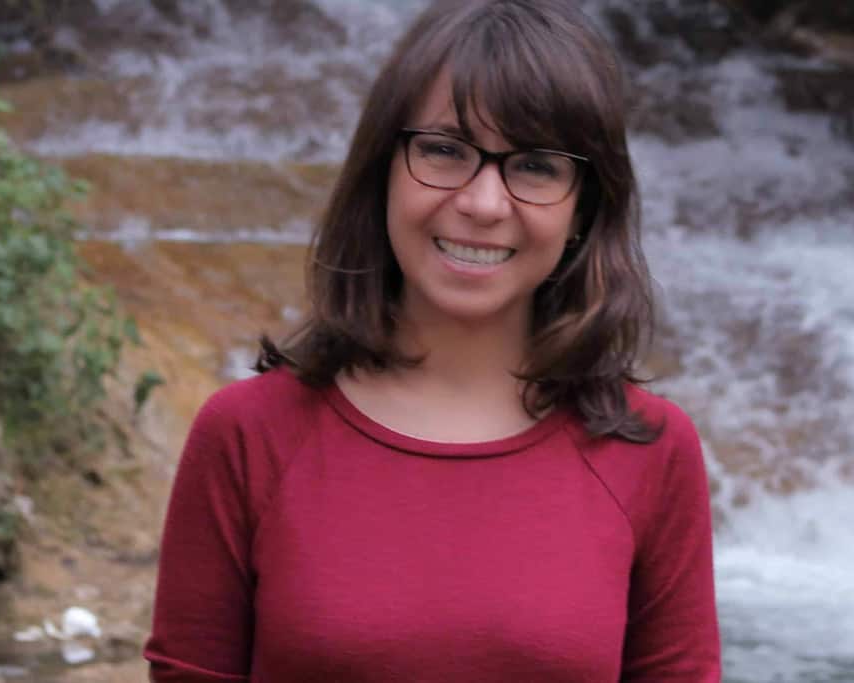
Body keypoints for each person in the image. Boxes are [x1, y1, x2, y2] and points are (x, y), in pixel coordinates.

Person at [143, 0, 721, 680]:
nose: (483, 203)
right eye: (445, 151)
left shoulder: (650, 450)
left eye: (535, 166)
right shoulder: (247, 435)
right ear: (382, 168)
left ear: (583, 209)